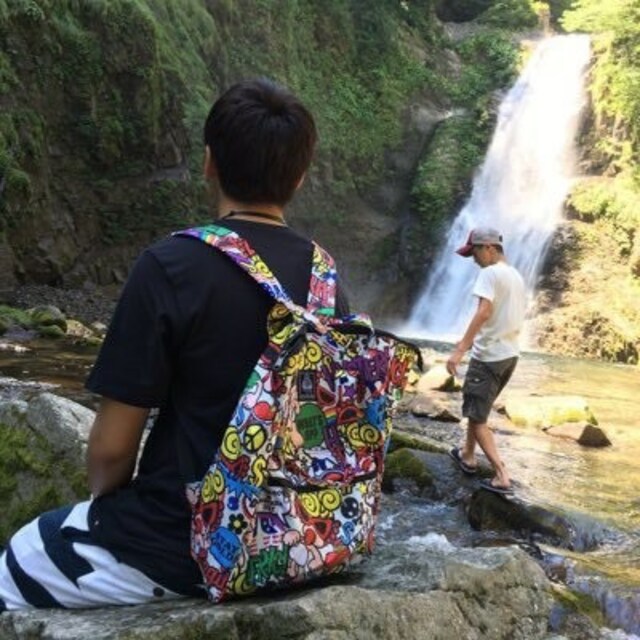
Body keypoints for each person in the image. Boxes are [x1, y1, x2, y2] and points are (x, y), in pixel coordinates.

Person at [0, 78, 349, 610]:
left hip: (179, 548)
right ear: (299, 178)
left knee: (17, 562)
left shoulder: (171, 266)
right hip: (303, 541)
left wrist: (107, 506)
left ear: (209, 162)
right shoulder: (328, 282)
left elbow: (112, 452)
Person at [445, 227, 526, 495]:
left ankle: (501, 474)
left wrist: (460, 349)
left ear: (489, 248)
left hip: (488, 356)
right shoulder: (515, 276)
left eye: (475, 252)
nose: (473, 259)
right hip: (509, 355)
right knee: (477, 410)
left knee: (478, 419)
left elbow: (484, 312)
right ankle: (468, 455)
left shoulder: (489, 273)